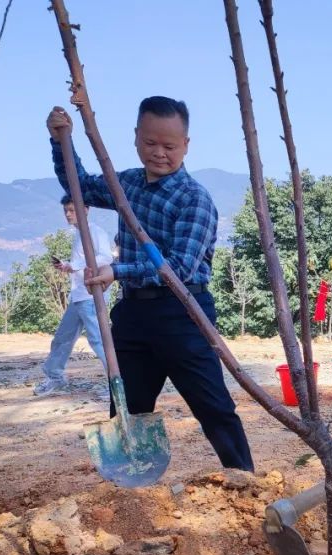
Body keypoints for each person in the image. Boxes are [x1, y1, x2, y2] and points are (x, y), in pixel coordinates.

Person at [46, 96, 254, 472]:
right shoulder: (124, 183)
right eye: (150, 143)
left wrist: (118, 270)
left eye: (170, 146)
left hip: (183, 313)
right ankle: (129, 486)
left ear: (186, 145)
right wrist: (62, 140)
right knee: (126, 405)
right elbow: (77, 184)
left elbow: (180, 268)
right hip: (134, 315)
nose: (159, 153)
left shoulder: (195, 200)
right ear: (136, 139)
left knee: (214, 407)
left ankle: (245, 479)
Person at [33, 196, 115, 397]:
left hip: (91, 296)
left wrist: (75, 265)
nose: (68, 214)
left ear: (85, 209)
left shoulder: (95, 231)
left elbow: (106, 257)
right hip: (78, 295)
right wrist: (68, 266)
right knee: (63, 338)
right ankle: (55, 377)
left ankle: (117, 385)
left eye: (72, 210)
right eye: (66, 211)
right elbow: (82, 262)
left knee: (99, 340)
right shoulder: (79, 234)